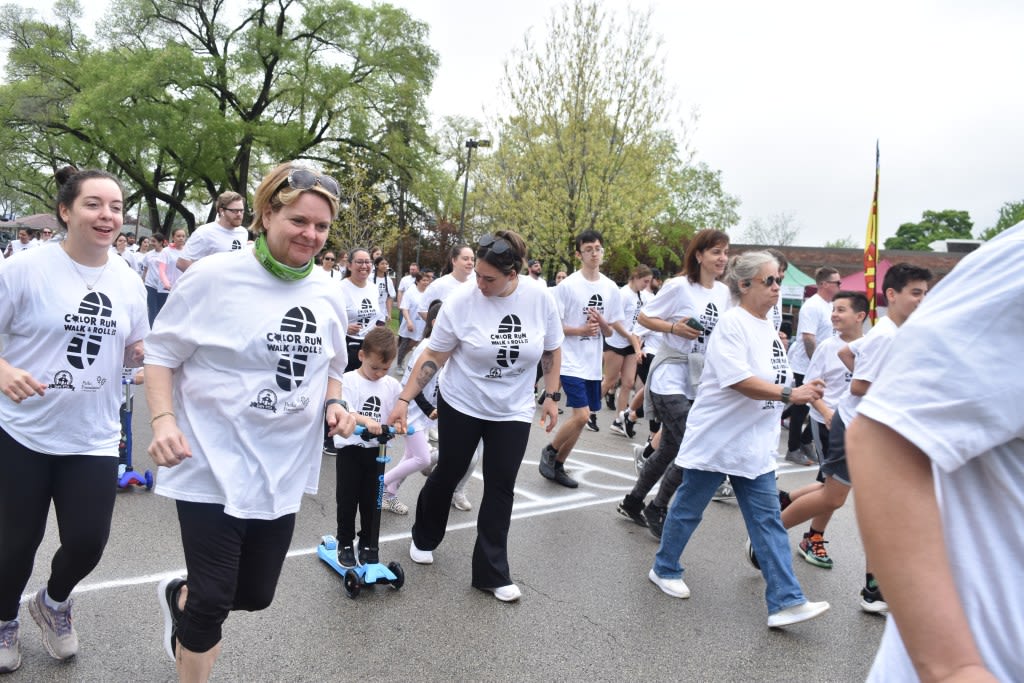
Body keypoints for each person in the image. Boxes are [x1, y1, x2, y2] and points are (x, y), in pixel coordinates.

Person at [146, 162, 356, 681]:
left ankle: (183, 595)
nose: (311, 234)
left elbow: (334, 368)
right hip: (209, 463)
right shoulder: (215, 276)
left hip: (280, 469)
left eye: (322, 226)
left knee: (255, 595)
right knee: (215, 600)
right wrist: (163, 420)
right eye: (299, 221)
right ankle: (196, 624)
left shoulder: (329, 291)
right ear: (267, 213)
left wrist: (334, 403)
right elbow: (160, 352)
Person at [848, 224, 1022, 683]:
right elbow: (873, 406)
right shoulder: (888, 334)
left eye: (927, 292)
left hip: (917, 432)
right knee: (826, 498)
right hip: (863, 426)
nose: (923, 300)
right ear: (891, 294)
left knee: (822, 499)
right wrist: (953, 666)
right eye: (916, 292)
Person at [0, 167, 147, 674]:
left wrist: (151, 362)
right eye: (94, 204)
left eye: (115, 207)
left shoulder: (129, 281)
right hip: (23, 431)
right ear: (66, 211)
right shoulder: (23, 269)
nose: (107, 216)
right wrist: (3, 371)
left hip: (93, 434)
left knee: (88, 540)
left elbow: (134, 351)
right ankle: (3, 622)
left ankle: (53, 603)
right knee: (15, 542)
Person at [648, 251, 831, 629]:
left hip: (753, 446)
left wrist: (803, 390)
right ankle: (664, 568)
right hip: (718, 440)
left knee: (767, 522)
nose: (777, 287)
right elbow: (738, 381)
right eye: (770, 281)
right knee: (687, 510)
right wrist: (788, 397)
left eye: (779, 280)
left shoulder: (769, 326)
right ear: (744, 285)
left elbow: (775, 377)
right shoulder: (733, 324)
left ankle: (786, 600)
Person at [387, 230, 563, 602]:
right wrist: (404, 398)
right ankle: (425, 535)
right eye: (477, 274)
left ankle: (491, 573)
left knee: (501, 485)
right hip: (463, 401)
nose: (479, 283)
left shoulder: (540, 297)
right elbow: (434, 355)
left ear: (513, 273)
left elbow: (551, 348)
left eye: (489, 278)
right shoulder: (461, 301)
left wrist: (551, 395)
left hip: (512, 408)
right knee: (450, 469)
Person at [616, 230, 731, 531]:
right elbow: (643, 318)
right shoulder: (680, 286)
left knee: (669, 448)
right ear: (699, 255)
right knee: (692, 445)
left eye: (725, 252)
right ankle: (657, 508)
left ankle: (633, 501)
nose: (722, 258)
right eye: (716, 251)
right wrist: (673, 328)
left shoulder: (723, 293)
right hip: (669, 376)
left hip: (698, 378)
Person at [774, 291, 867, 569]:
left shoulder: (870, 346)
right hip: (827, 422)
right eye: (834, 309)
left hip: (857, 427)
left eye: (842, 310)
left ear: (860, 316)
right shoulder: (828, 347)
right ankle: (812, 537)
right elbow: (811, 386)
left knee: (831, 485)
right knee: (833, 489)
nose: (834, 315)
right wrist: (827, 414)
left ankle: (786, 500)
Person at [539, 230, 626, 487]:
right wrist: (580, 330)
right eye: (588, 249)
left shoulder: (610, 288)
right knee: (581, 415)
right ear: (579, 254)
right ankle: (550, 451)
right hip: (569, 359)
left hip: (591, 363)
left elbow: (609, 332)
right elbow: (554, 327)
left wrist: (601, 323)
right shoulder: (568, 286)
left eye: (598, 248)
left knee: (583, 417)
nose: (594, 253)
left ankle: (558, 465)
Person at [332, 327, 402, 566]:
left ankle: (369, 544)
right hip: (352, 450)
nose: (380, 373)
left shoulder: (392, 385)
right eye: (375, 367)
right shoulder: (349, 380)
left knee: (373, 501)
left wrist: (398, 425)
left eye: (385, 368)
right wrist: (368, 422)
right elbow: (349, 410)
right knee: (348, 499)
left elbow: (396, 414)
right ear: (361, 356)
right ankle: (344, 543)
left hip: (377, 452)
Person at [382, 300, 442, 515]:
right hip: (412, 413)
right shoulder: (426, 348)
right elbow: (409, 384)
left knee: (409, 457)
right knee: (422, 458)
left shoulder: (439, 347)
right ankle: (379, 487)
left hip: (423, 415)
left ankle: (389, 495)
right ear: (436, 323)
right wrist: (427, 409)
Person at [785, 266, 841, 465]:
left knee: (819, 404)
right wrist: (815, 364)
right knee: (801, 408)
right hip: (805, 365)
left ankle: (806, 440)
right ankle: (793, 449)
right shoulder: (813, 305)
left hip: (824, 365)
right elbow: (809, 337)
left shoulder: (830, 305)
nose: (839, 286)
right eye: (837, 282)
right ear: (824, 284)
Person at [605, 265, 652, 437]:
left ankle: (619, 419)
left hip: (631, 344)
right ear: (636, 277)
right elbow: (614, 321)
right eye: (644, 281)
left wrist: (636, 339)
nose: (646, 285)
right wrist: (629, 335)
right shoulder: (623, 293)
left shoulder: (641, 296)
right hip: (617, 342)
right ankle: (589, 412)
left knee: (628, 382)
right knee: (609, 380)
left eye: (648, 282)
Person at [176, 191, 247, 271]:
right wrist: (208, 279)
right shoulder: (204, 232)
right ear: (221, 211)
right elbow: (182, 263)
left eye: (241, 210)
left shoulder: (243, 232)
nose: (239, 214)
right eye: (234, 211)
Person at [396, 269, 433, 368]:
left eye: (427, 280)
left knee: (415, 344)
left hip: (423, 324)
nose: (426, 282)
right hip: (411, 322)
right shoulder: (411, 292)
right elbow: (404, 308)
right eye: (424, 280)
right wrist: (408, 321)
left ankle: (413, 364)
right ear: (418, 281)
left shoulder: (429, 292)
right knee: (405, 345)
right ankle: (399, 364)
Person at [142, 232, 171, 325]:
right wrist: (143, 281)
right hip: (150, 285)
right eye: (151, 241)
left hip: (163, 287)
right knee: (152, 310)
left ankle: (158, 331)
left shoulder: (167, 254)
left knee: (161, 310)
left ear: (161, 242)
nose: (151, 243)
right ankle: (150, 331)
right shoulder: (148, 254)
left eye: (154, 241)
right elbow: (145, 269)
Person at [372, 255, 396, 327]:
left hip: (381, 314)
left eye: (386, 264)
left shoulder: (388, 280)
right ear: (376, 265)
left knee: (379, 335)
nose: (385, 266)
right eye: (382, 264)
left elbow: (389, 298)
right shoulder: (369, 278)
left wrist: (389, 314)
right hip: (370, 313)